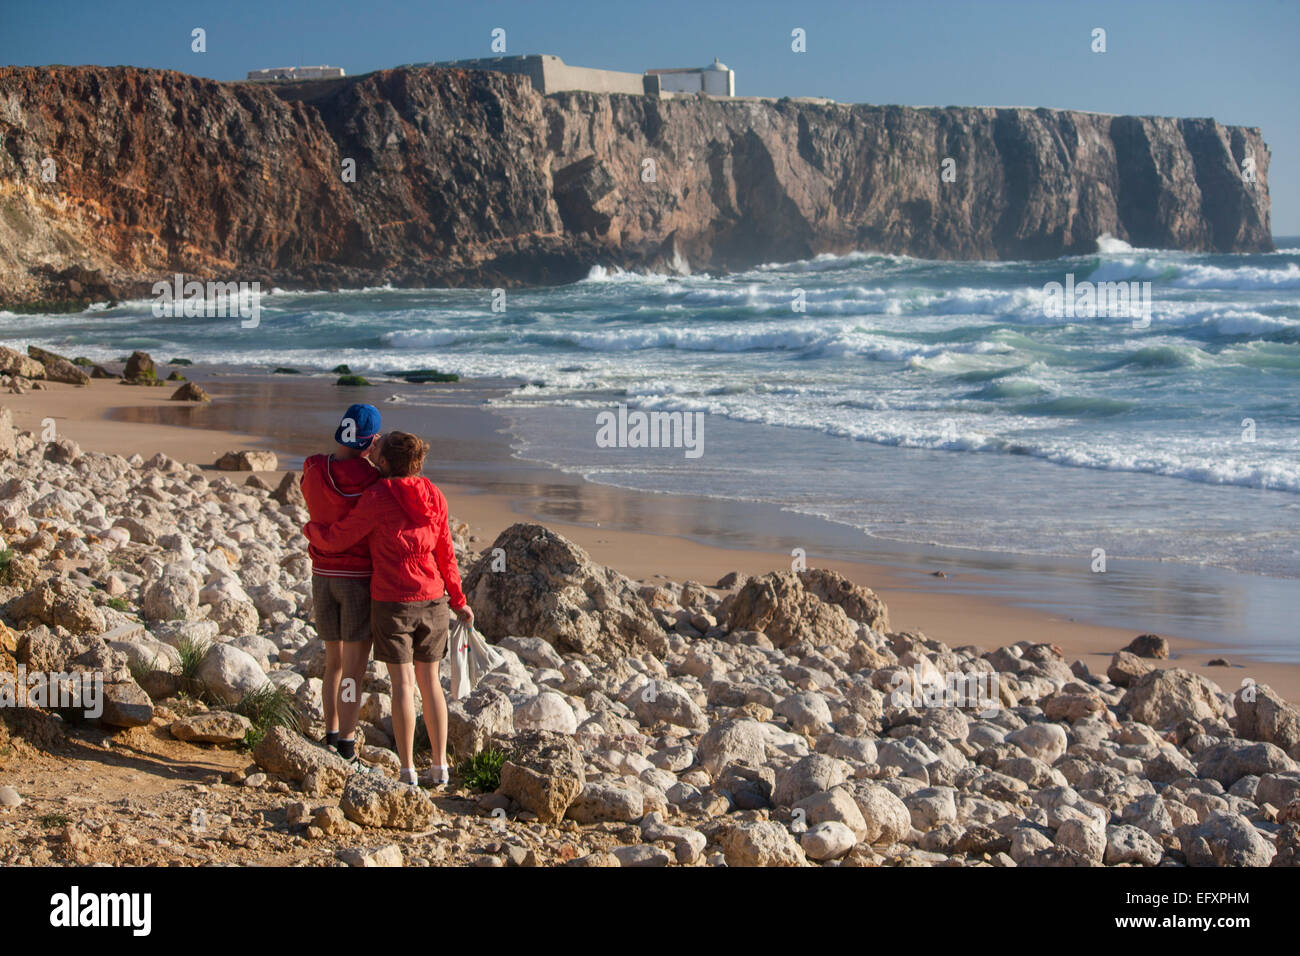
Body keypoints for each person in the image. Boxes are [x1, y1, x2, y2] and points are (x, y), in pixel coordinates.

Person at [303, 431, 472, 788]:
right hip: (434, 600)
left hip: (392, 603)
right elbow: (446, 554)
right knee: (431, 686)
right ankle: (440, 767)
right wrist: (459, 601)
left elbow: (343, 536)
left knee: (403, 686)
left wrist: (311, 531)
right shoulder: (435, 496)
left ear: (383, 462)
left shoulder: (377, 496)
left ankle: (408, 770)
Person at [299, 403, 381, 765]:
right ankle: (347, 745)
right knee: (353, 670)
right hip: (357, 579)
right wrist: (376, 460)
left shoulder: (314, 468)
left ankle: (330, 733)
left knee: (332, 663)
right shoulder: (373, 481)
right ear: (370, 442)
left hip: (322, 575)